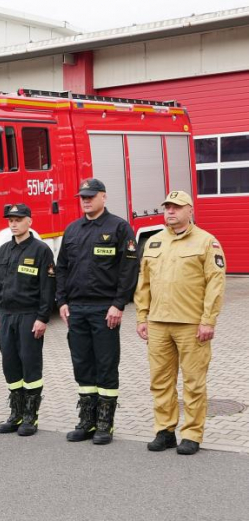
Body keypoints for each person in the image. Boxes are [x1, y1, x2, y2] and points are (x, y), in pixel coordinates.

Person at [134, 191, 226, 455]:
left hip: (191, 325)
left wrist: (208, 320)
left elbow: (215, 284)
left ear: (190, 210)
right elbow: (144, 284)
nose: (170, 212)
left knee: (194, 382)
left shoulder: (207, 242)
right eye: (167, 207)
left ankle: (192, 434)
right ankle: (165, 431)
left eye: (176, 207)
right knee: (160, 381)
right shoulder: (154, 242)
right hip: (159, 323)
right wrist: (142, 316)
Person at [56, 178, 139, 445]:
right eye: (83, 197)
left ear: (103, 197)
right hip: (77, 309)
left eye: (91, 196)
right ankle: (87, 421)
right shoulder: (72, 230)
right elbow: (62, 268)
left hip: (104, 308)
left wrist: (119, 303)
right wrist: (62, 301)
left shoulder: (118, 227)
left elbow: (129, 269)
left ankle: (105, 423)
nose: (86, 200)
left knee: (105, 364)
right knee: (82, 364)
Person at [0, 204, 55, 436]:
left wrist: (42, 318)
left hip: (29, 315)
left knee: (30, 364)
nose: (13, 224)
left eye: (18, 219)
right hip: (6, 316)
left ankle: (30, 416)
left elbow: (47, 288)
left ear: (30, 221)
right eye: (10, 220)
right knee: (10, 365)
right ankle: (16, 413)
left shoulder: (40, 250)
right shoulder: (4, 250)